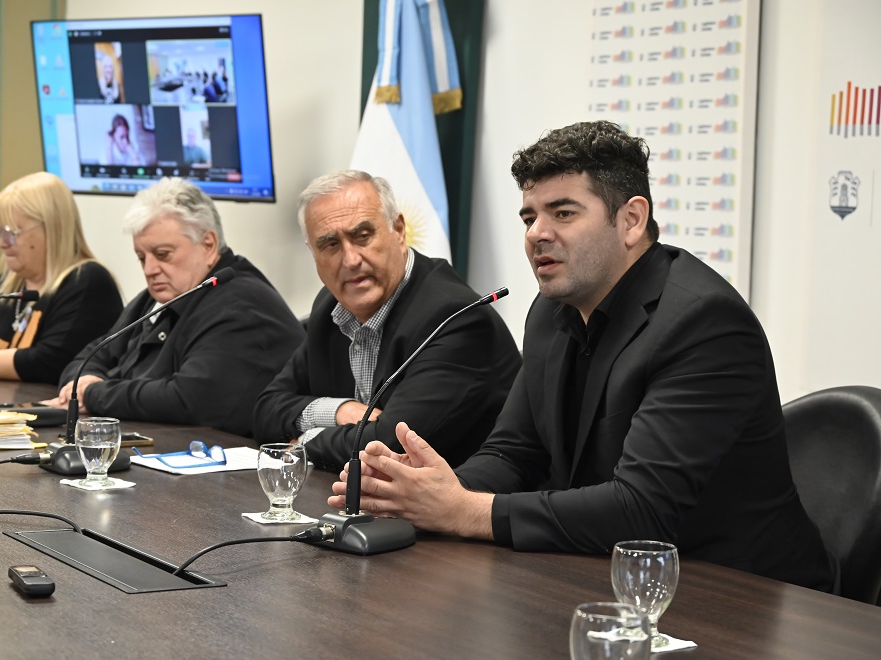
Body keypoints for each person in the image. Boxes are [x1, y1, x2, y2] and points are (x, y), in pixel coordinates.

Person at [329, 121, 836, 592]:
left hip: (738, 593)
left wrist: (465, 511)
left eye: (563, 213)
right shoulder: (551, 311)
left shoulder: (704, 323)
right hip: (605, 573)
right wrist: (423, 492)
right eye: (530, 217)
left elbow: (642, 509)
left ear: (631, 220)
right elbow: (513, 454)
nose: (536, 233)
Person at [253, 170, 520, 471]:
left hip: (464, 496)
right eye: (330, 244)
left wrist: (303, 443)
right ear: (313, 253)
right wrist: (338, 410)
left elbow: (389, 445)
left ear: (399, 230)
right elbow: (266, 410)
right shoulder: (331, 307)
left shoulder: (454, 317)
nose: (351, 260)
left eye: (362, 236)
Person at [48, 177, 303, 436]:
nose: (149, 269)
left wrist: (92, 394)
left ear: (208, 245)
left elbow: (190, 399)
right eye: (141, 257)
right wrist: (81, 383)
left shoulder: (241, 303)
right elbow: (91, 356)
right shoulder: (159, 296)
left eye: (163, 255)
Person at [0, 172, 122, 384]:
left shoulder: (87, 280)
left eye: (11, 232)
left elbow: (46, 363)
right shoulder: (11, 282)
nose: (2, 243)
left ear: (52, 228)